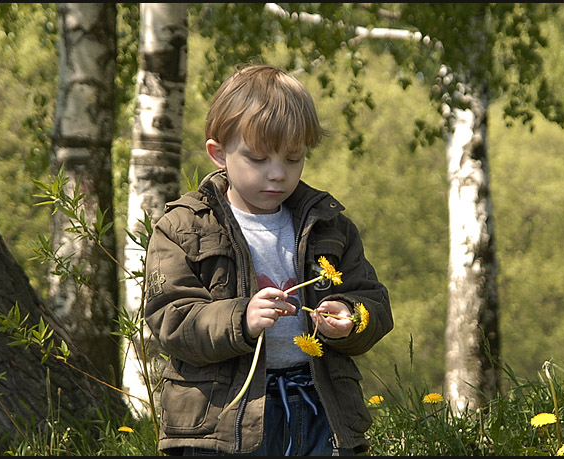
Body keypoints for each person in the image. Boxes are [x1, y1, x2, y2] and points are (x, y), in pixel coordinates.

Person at [143, 63, 393, 456]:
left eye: (293, 159)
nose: (277, 174)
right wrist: (239, 319)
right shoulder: (184, 227)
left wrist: (350, 316)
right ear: (218, 153)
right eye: (258, 159)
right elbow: (171, 319)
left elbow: (373, 301)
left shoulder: (329, 225)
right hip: (224, 419)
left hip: (318, 407)